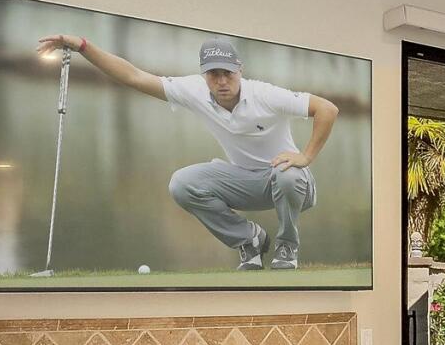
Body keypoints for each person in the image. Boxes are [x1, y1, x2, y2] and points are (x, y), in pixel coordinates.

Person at [37, 29, 337, 268]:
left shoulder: (266, 94)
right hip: (245, 181)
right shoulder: (195, 90)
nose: (221, 81)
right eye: (213, 74)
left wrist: (305, 156)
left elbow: (327, 109)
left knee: (286, 174)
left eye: (227, 73)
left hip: (291, 182)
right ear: (203, 73)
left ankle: (287, 246)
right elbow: (134, 76)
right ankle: (250, 239)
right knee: (182, 183)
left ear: (239, 70)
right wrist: (83, 46)